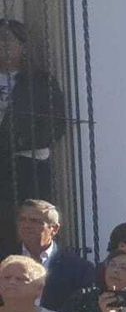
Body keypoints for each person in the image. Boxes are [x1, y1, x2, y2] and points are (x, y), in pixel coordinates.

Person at [0, 20, 65, 214]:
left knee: (29, 220)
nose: (1, 44)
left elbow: (56, 124)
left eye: (6, 39)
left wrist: (19, 142)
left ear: (23, 45)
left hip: (27, 166)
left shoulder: (40, 82)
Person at [17, 200, 93, 310]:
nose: (26, 225)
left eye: (34, 221)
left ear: (54, 229)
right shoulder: (4, 260)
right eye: (22, 220)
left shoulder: (78, 268)